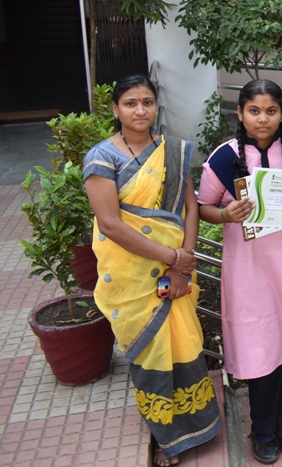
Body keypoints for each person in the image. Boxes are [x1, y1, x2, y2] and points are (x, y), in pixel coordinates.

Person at [83, 75, 222, 467]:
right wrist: (172, 257)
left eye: (147, 101)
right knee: (150, 351)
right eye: (130, 103)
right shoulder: (101, 158)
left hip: (175, 265)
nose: (140, 110)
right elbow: (110, 224)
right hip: (131, 277)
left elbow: (191, 207)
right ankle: (167, 437)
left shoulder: (171, 151)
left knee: (185, 344)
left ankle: (200, 424)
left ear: (156, 106)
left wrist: (184, 260)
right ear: (115, 109)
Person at [197, 79, 282, 464]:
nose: (262, 118)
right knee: (261, 347)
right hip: (250, 271)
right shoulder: (223, 158)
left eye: (271, 111)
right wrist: (225, 214)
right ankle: (262, 428)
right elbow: (203, 206)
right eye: (254, 110)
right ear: (240, 113)